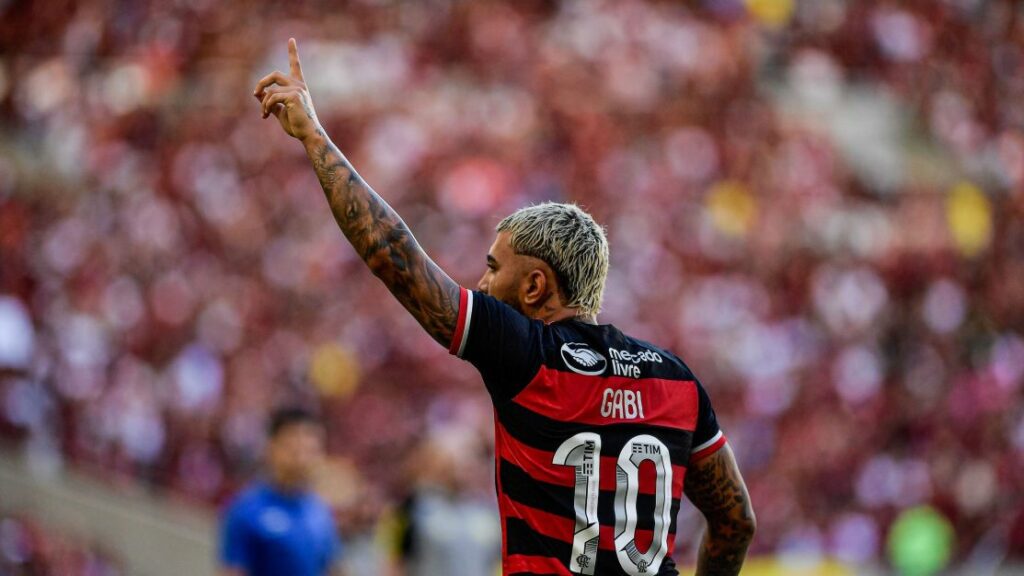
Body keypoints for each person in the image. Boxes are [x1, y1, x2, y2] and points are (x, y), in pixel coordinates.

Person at [253, 39, 756, 576]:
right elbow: (736, 522)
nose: (483, 282)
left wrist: (313, 135)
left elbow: (392, 255)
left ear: (536, 287)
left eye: (495, 268)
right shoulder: (676, 380)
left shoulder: (525, 353)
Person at [219, 407, 345, 576]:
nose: (302, 458)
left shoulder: (320, 513)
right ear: (272, 447)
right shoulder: (247, 510)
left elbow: (332, 568)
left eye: (310, 450)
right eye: (294, 448)